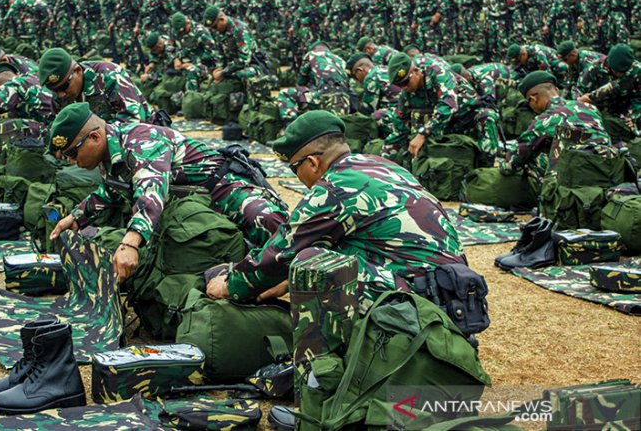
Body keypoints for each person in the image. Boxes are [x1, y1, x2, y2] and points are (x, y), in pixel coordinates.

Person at [204, 109, 466, 309]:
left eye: (295, 169)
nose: (298, 177)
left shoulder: (334, 187)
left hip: (417, 303)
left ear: (313, 162)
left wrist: (230, 285)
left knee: (312, 265)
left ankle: (318, 374)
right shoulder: (381, 165)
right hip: (454, 293)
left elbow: (281, 254)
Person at [47, 102, 289, 278]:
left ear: (95, 137)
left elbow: (150, 191)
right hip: (187, 206)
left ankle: (282, 269)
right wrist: (76, 216)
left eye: (71, 152)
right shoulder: (110, 155)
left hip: (221, 189)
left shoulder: (140, 141)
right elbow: (112, 190)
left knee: (264, 219)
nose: (70, 160)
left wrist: (130, 243)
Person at [500, 70, 610, 180]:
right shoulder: (590, 108)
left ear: (534, 99)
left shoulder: (545, 119)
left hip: (574, 181)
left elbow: (511, 163)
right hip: (606, 171)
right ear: (556, 90)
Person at [38, 47, 150, 122]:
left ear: (77, 71)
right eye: (54, 90)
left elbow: (134, 120)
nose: (61, 94)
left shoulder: (109, 75)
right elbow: (57, 127)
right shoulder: (59, 95)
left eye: (63, 87)